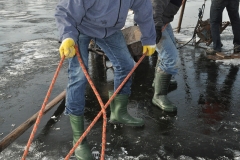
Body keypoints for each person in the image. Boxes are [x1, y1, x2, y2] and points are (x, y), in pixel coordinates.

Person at [55, 0, 156, 159]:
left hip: (110, 31)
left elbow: (143, 7)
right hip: (80, 27)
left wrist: (149, 38)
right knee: (79, 76)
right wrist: (67, 36)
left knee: (126, 65)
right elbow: (65, 10)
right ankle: (79, 139)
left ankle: (118, 112)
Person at [151, 0, 183, 112]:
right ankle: (159, 96)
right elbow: (155, 3)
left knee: (168, 51)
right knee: (170, 57)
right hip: (152, 21)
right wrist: (156, 26)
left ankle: (157, 81)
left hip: (162, 20)